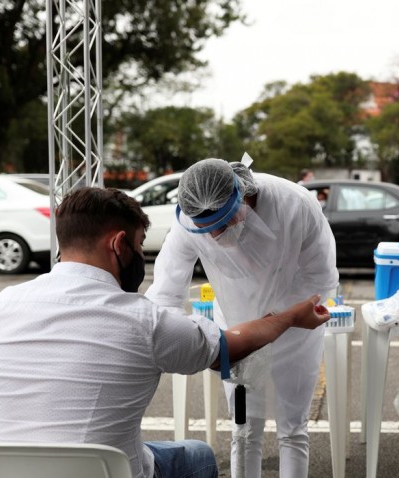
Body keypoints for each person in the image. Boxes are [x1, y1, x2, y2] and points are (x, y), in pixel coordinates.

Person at [0, 187, 331, 478]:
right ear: (118, 244)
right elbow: (232, 345)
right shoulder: (144, 322)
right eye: (138, 246)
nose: (140, 257)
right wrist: (290, 317)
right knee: (196, 455)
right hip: (108, 470)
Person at [145, 155, 338, 478]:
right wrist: (173, 340)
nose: (215, 236)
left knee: (293, 429)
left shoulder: (294, 204)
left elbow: (321, 278)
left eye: (222, 225)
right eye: (207, 230)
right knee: (244, 429)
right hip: (234, 328)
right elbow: (165, 292)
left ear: (243, 198)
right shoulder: (189, 222)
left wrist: (281, 319)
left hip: (295, 325)